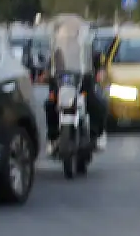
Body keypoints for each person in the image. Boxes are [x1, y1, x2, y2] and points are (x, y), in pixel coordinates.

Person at [42, 15, 108, 151]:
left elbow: (97, 59)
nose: (69, 34)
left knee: (98, 103)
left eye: (71, 31)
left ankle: (97, 134)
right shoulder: (57, 51)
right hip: (61, 84)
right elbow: (49, 66)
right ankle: (52, 138)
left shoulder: (85, 48)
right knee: (49, 104)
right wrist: (46, 74)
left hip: (82, 82)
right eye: (66, 31)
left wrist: (100, 71)